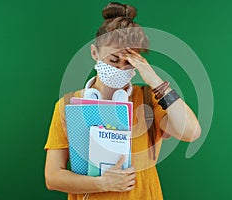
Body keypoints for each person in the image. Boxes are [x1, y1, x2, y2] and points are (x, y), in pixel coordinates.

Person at [44, 2, 201, 200]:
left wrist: (154, 80)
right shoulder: (67, 105)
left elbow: (192, 132)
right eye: (113, 60)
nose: (120, 68)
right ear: (95, 53)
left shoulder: (149, 100)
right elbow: (52, 177)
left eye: (128, 62)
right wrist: (102, 184)